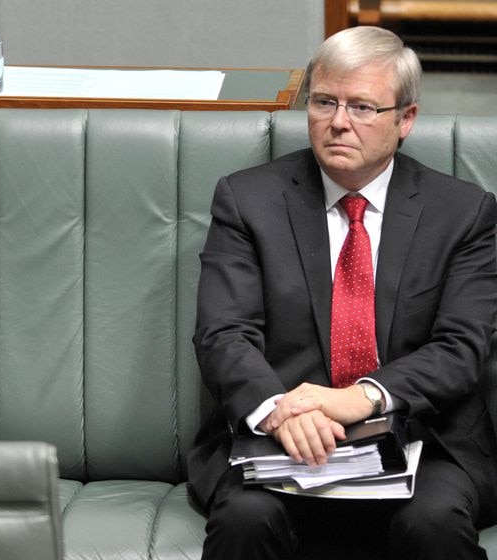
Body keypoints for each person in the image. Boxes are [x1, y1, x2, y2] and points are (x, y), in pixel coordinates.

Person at [188, 26, 497, 559]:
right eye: (325, 101)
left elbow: (460, 347)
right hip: (280, 437)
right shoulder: (247, 200)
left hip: (421, 436)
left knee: (433, 523)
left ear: (406, 120)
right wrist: (283, 412)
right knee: (245, 517)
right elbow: (223, 334)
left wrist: (359, 398)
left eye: (362, 108)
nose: (338, 122)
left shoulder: (463, 213)